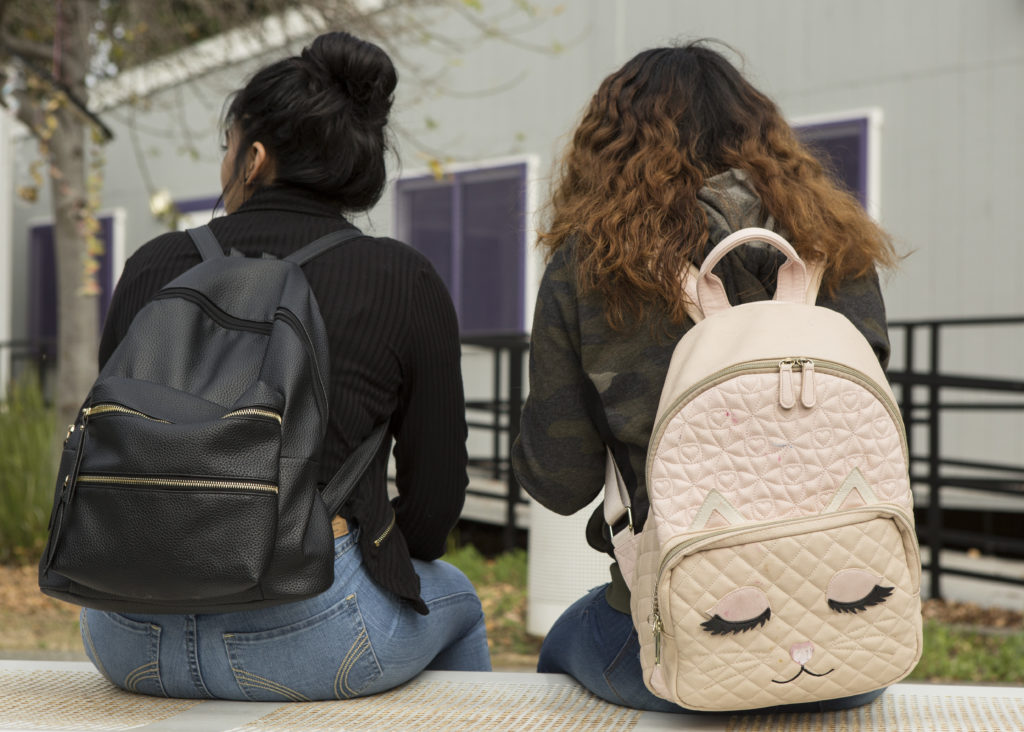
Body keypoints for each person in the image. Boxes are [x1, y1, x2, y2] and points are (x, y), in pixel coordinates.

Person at [80, 31, 491, 701]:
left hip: (127, 633)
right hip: (310, 638)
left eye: (228, 148)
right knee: (457, 598)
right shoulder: (402, 278)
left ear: (255, 158)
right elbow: (435, 499)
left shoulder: (154, 265)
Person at [511, 41, 898, 714]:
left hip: (675, 650)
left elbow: (559, 480)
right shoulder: (831, 246)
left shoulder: (592, 267)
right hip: (853, 643)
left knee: (562, 643)